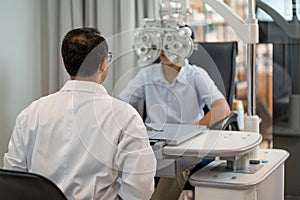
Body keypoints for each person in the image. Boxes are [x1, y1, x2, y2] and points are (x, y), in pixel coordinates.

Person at [3, 28, 156, 200]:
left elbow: (14, 177)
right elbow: (139, 189)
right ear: (104, 64)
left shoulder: (31, 113)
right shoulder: (125, 117)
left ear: (63, 62)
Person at [119, 35, 231, 199]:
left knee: (177, 163)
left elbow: (222, 109)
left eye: (172, 45)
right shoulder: (148, 74)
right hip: (155, 143)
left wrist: (191, 130)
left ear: (184, 47)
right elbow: (121, 103)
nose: (164, 51)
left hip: (188, 146)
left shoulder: (195, 74)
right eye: (162, 45)